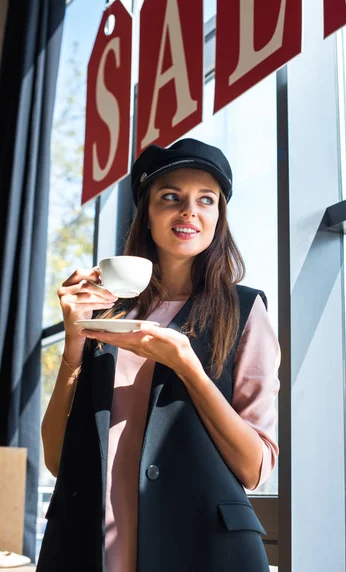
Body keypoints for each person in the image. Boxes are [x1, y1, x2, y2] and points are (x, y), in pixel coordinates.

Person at [37, 138, 281, 572]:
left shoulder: (245, 310)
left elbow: (255, 468)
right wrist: (74, 341)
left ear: (217, 219)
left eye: (206, 200)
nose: (190, 211)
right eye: (171, 197)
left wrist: (189, 368)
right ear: (146, 215)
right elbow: (57, 459)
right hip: (87, 545)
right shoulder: (104, 312)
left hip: (203, 549)